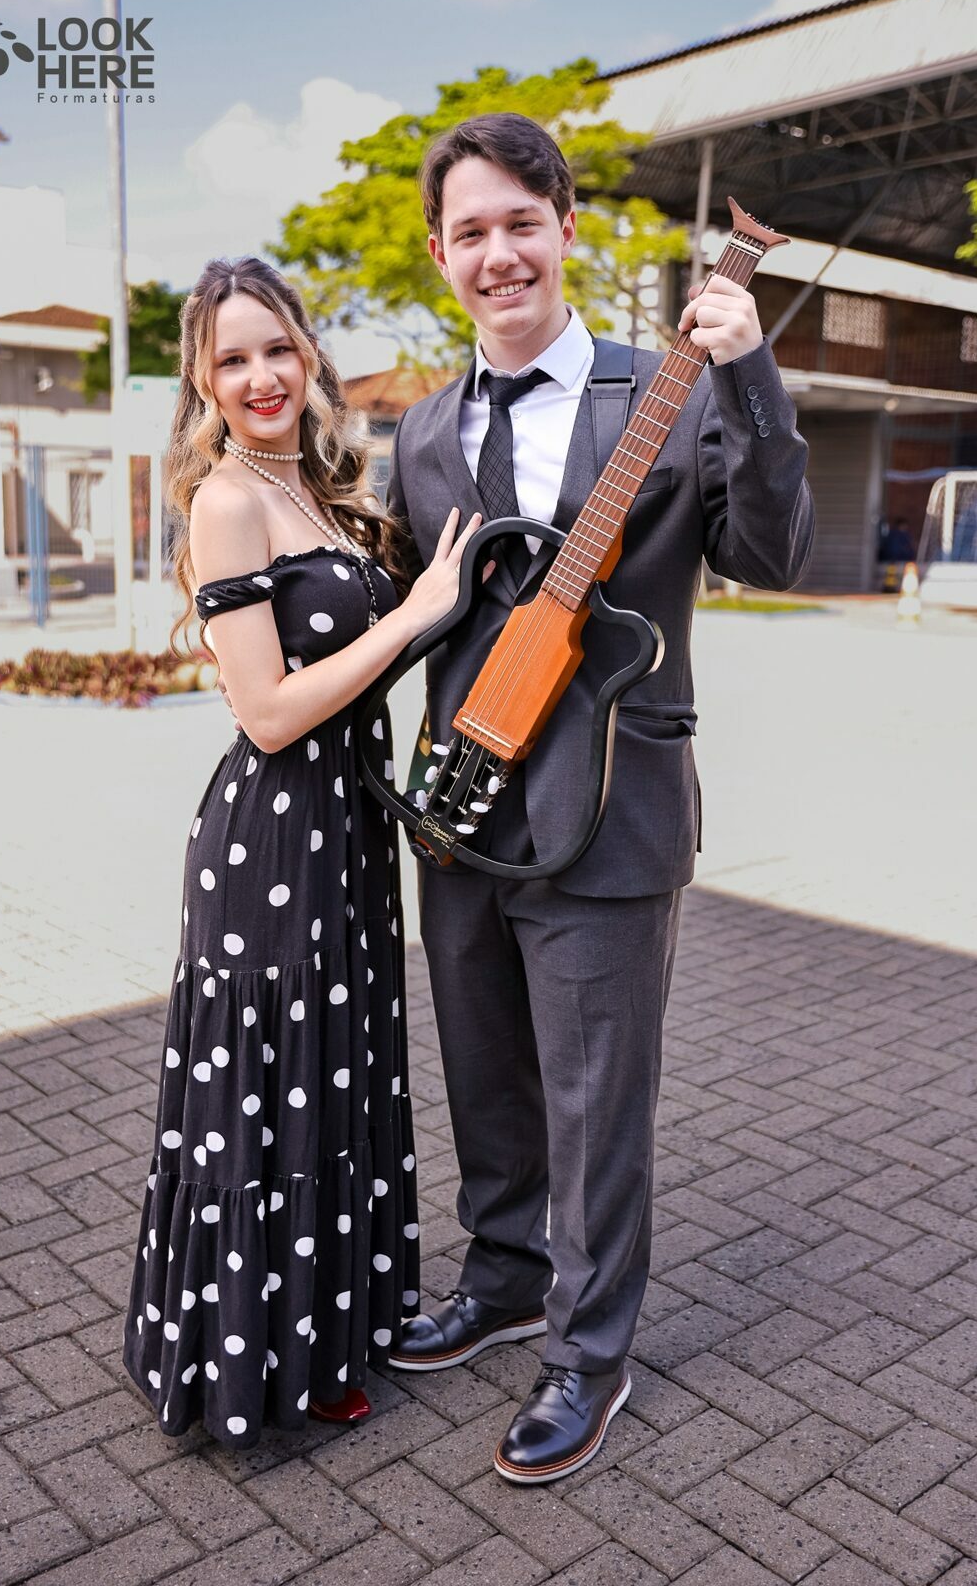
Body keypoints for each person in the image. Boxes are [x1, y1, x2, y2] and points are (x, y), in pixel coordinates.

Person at [385, 114, 815, 1483]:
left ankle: (588, 1350)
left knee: (593, 1098)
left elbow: (771, 552)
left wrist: (751, 377)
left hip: (611, 805)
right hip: (462, 810)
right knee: (484, 1074)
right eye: (469, 232)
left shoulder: (671, 388)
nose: (498, 254)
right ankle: (505, 1275)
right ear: (440, 254)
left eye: (521, 222)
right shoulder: (422, 430)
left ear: (565, 230)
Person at [122, 256, 481, 1447]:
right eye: (231, 359)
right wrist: (412, 614)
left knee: (337, 1079)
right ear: (202, 380)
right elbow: (267, 712)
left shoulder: (316, 488)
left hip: (346, 833)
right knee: (270, 1097)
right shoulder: (227, 500)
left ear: (309, 352)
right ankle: (250, 1365)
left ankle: (326, 1334)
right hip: (271, 836)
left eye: (276, 347)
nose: (261, 375)